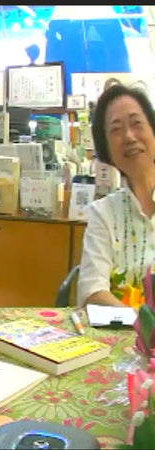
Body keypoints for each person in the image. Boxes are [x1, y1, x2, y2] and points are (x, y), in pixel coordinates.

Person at [77, 84, 155, 309]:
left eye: (136, 123)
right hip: (126, 338)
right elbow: (92, 291)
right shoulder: (103, 214)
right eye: (116, 129)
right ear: (107, 149)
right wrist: (145, 327)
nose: (129, 136)